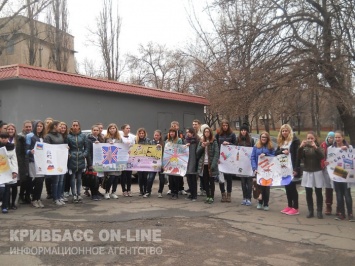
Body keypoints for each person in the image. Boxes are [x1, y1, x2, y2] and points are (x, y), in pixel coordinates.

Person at [276, 124, 301, 216]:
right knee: (287, 187)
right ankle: (289, 205)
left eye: (286, 131)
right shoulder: (281, 142)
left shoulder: (294, 141)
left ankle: (296, 207)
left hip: (292, 168)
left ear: (289, 131)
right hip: (283, 168)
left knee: (292, 188)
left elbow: (297, 156)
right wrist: (282, 151)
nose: (284, 132)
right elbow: (276, 152)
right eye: (283, 131)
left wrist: (296, 168)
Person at [299, 131, 325, 219]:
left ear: (315, 138)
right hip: (307, 171)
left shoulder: (318, 146)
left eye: (311, 138)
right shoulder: (304, 147)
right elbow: (299, 157)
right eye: (308, 138)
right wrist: (300, 147)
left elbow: (322, 156)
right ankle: (310, 210)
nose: (310, 140)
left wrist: (315, 147)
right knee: (308, 192)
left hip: (317, 171)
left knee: (318, 192)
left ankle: (319, 211)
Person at [331, 131, 354, 221]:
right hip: (336, 174)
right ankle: (341, 213)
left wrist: (347, 149)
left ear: (343, 137)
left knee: (347, 193)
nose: (337, 139)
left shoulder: (349, 147)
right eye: (336, 137)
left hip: (346, 173)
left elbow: (352, 159)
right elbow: (330, 160)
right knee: (339, 194)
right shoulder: (331, 148)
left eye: (339, 137)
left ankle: (350, 214)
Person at [44, 120, 66, 206]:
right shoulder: (48, 136)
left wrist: (65, 148)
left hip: (61, 160)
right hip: (54, 161)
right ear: (54, 127)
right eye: (60, 126)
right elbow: (47, 148)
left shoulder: (60, 135)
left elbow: (62, 146)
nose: (61, 128)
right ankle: (55, 198)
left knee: (61, 180)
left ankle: (60, 196)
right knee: (56, 180)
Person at [251, 132, 275, 211]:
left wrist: (266, 154)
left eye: (265, 137)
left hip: (267, 170)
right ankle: (260, 202)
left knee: (266, 187)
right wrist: (254, 168)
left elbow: (274, 157)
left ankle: (266, 203)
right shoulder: (256, 146)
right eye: (262, 137)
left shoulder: (270, 147)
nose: (263, 138)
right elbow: (253, 157)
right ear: (260, 138)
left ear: (267, 138)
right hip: (258, 170)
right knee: (259, 186)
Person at [215, 119, 237, 203]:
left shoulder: (232, 134)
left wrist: (229, 144)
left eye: (226, 125)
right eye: (223, 126)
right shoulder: (218, 135)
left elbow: (235, 146)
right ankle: (223, 194)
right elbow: (216, 146)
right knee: (221, 178)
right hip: (221, 159)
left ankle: (229, 194)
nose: (225, 127)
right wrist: (217, 158)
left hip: (229, 159)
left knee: (229, 178)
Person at [196, 126, 219, 204]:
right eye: (205, 132)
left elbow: (216, 153)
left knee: (211, 181)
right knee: (205, 181)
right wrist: (202, 147)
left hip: (211, 164)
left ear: (210, 133)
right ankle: (208, 196)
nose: (206, 133)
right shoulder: (201, 141)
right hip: (203, 164)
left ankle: (212, 196)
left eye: (208, 132)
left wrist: (213, 164)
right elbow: (197, 153)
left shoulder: (214, 141)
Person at [67, 120, 88, 203]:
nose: (75, 127)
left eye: (76, 125)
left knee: (79, 177)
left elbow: (86, 147)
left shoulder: (83, 136)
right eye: (73, 125)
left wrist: (84, 154)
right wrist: (69, 154)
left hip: (80, 157)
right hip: (72, 158)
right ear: (72, 126)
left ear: (79, 126)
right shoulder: (68, 136)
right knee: (72, 177)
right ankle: (74, 194)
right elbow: (66, 146)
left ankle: (79, 193)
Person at [7, 124, 26, 207]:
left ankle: (13, 203)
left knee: (15, 185)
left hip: (16, 163)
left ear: (15, 130)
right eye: (9, 129)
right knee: (7, 185)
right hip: (6, 165)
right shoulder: (3, 138)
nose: (10, 131)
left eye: (12, 129)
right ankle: (6, 202)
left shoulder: (19, 139)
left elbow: (23, 150)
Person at [236, 124, 255, 206]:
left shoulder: (251, 140)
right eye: (242, 130)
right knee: (243, 182)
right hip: (241, 163)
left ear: (247, 131)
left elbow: (253, 150)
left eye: (245, 130)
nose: (243, 131)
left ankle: (249, 198)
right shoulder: (238, 139)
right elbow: (235, 149)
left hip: (249, 163)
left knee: (249, 181)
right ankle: (244, 198)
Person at [27, 121, 45, 208]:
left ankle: (38, 198)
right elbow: (26, 149)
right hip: (33, 161)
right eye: (37, 126)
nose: (39, 127)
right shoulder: (30, 136)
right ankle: (34, 199)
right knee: (38, 180)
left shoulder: (42, 137)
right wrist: (30, 151)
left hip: (41, 162)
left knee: (41, 181)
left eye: (41, 126)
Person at [0, 132, 18, 214]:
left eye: (5, 138)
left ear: (8, 138)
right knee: (1, 189)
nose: (3, 139)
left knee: (7, 189)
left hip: (8, 170)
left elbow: (14, 160)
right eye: (2, 137)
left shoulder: (11, 147)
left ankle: (5, 206)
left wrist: (14, 171)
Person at [103, 123, 122, 199]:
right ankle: (107, 192)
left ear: (116, 129)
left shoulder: (119, 139)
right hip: (109, 160)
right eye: (111, 128)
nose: (112, 129)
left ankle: (113, 192)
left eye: (114, 128)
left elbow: (122, 148)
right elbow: (102, 147)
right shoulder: (106, 138)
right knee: (111, 177)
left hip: (117, 161)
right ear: (108, 130)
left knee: (116, 177)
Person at [86, 124, 105, 201]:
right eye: (94, 130)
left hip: (100, 162)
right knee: (93, 179)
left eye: (97, 130)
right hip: (92, 162)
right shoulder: (89, 139)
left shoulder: (100, 139)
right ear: (92, 131)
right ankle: (93, 194)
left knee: (99, 179)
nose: (96, 131)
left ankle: (96, 192)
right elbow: (88, 152)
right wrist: (90, 164)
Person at [165, 127, 183, 199]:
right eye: (170, 132)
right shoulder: (167, 140)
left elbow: (180, 149)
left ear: (175, 133)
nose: (172, 133)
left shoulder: (179, 140)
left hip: (176, 161)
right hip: (169, 161)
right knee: (171, 178)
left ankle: (176, 192)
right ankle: (172, 191)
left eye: (173, 132)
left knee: (176, 177)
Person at [320, 131, 335, 215]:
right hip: (326, 169)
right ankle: (328, 206)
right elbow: (321, 156)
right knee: (328, 188)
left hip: (336, 169)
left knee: (338, 188)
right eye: (329, 137)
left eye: (332, 137)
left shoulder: (337, 146)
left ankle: (339, 207)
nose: (330, 139)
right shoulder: (323, 145)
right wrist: (323, 163)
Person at [147, 130, 165, 198]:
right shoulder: (151, 142)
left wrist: (161, 147)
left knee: (162, 179)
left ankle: (160, 192)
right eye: (155, 135)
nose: (156, 136)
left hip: (161, 163)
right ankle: (148, 191)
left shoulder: (163, 143)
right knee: (150, 178)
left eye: (158, 135)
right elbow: (148, 151)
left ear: (160, 136)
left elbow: (166, 153)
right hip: (153, 163)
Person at [184, 127, 200, 201]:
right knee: (188, 179)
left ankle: (194, 195)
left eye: (189, 132)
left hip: (193, 161)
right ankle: (191, 193)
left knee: (193, 179)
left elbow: (199, 152)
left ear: (193, 133)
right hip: (187, 162)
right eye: (187, 132)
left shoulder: (196, 141)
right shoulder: (185, 141)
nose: (188, 133)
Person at [120, 124, 135, 197]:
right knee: (123, 175)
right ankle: (124, 190)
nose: (128, 129)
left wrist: (131, 150)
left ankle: (129, 189)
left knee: (129, 175)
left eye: (129, 128)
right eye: (127, 128)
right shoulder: (120, 138)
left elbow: (134, 146)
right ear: (123, 129)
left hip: (130, 158)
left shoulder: (132, 138)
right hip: (122, 158)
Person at [136, 128, 151, 196]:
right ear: (138, 134)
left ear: (145, 134)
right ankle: (141, 190)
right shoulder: (136, 140)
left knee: (145, 176)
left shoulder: (148, 140)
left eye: (143, 133)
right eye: (140, 133)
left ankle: (145, 189)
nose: (141, 134)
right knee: (140, 176)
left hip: (146, 160)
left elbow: (151, 148)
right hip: (138, 161)